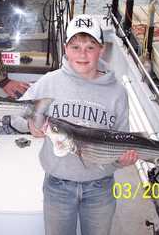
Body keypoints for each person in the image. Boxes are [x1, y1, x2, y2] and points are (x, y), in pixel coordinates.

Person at [20, 14, 138, 235]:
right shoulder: (49, 82)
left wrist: (123, 160)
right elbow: (19, 111)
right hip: (58, 186)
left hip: (100, 187)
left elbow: (123, 137)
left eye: (90, 47)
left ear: (101, 49)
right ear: (65, 48)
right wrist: (30, 124)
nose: (82, 54)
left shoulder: (117, 92)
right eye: (75, 47)